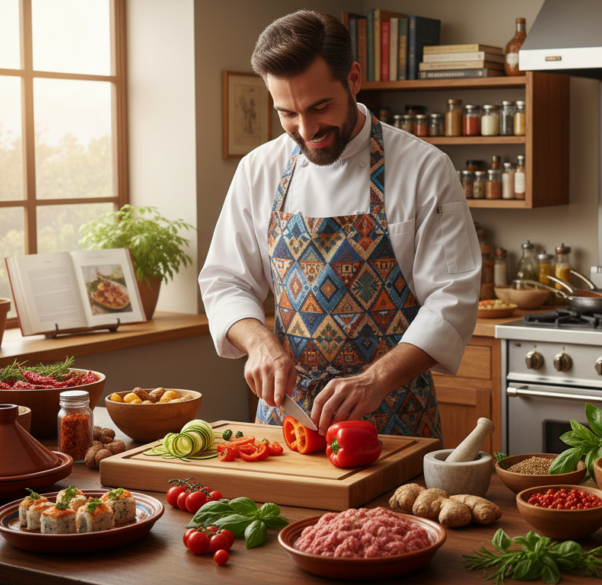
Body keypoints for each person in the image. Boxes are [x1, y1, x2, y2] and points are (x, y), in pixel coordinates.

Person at [199, 10, 480, 441]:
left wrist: (376, 379)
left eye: (319, 107)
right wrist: (258, 342)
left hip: (394, 423)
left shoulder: (424, 168)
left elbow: (452, 299)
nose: (307, 130)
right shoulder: (259, 169)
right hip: (285, 424)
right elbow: (225, 281)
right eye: (288, 113)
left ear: (352, 79)